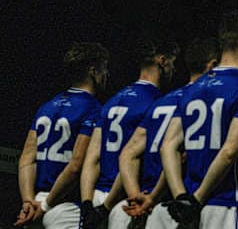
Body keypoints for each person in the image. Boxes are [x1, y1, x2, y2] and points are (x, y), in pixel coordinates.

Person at [148, 11, 238, 229]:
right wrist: (197, 198)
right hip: (227, 201)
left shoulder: (192, 90)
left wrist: (181, 196)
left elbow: (168, 146)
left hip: (189, 206)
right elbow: (230, 151)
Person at [109, 38, 220, 228]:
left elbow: (128, 153)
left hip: (146, 204)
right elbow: (179, 156)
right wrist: (154, 197)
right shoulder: (202, 100)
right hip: (176, 204)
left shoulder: (160, 102)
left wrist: (136, 197)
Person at [79, 37, 179, 228]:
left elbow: (92, 158)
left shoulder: (112, 101)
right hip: (128, 198)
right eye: (172, 62)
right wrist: (119, 202)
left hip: (98, 197)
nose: (173, 70)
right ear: (163, 61)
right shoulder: (156, 103)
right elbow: (132, 157)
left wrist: (87, 202)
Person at [15, 42, 109, 229]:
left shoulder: (46, 106)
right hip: (63, 204)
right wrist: (47, 204)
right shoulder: (93, 109)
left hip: (35, 203)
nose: (106, 74)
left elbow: (27, 158)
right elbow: (76, 165)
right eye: (104, 68)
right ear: (92, 70)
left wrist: (27, 201)